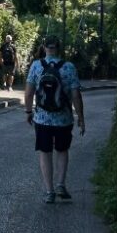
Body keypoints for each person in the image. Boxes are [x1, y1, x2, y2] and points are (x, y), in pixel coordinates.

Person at [24, 38, 85, 203]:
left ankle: (49, 191)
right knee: (62, 151)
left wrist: (29, 111)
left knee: (45, 152)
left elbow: (29, 93)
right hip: (63, 119)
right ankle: (60, 184)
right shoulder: (69, 67)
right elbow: (75, 96)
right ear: (59, 48)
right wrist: (80, 117)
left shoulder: (36, 66)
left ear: (44, 48)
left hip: (42, 119)